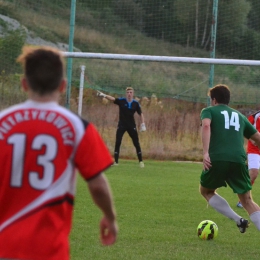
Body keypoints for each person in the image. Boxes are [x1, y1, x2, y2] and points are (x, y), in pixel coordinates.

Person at [0, 46, 118, 260]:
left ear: (24, 84)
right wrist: (110, 217)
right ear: (63, 86)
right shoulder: (77, 127)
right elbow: (97, 185)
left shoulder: (2, 123)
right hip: (49, 250)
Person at [200, 84, 260, 233]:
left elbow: (206, 126)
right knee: (247, 200)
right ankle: (241, 220)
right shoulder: (240, 116)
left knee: (206, 191)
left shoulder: (208, 111)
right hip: (238, 160)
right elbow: (257, 138)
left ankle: (237, 219)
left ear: (214, 100)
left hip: (217, 159)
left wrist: (205, 152)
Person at [97, 87, 146, 168]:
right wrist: (104, 95)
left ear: (133, 94)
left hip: (131, 125)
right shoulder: (122, 101)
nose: (129, 94)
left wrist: (143, 124)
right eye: (128, 92)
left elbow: (141, 113)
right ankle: (116, 161)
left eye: (131, 92)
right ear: (126, 93)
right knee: (118, 142)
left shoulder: (135, 103)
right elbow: (113, 99)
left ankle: (141, 161)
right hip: (122, 125)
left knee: (136, 143)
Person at [237, 110, 260, 208]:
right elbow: (243, 129)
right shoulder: (255, 116)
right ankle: (242, 200)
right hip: (254, 149)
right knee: (253, 173)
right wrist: (252, 139)